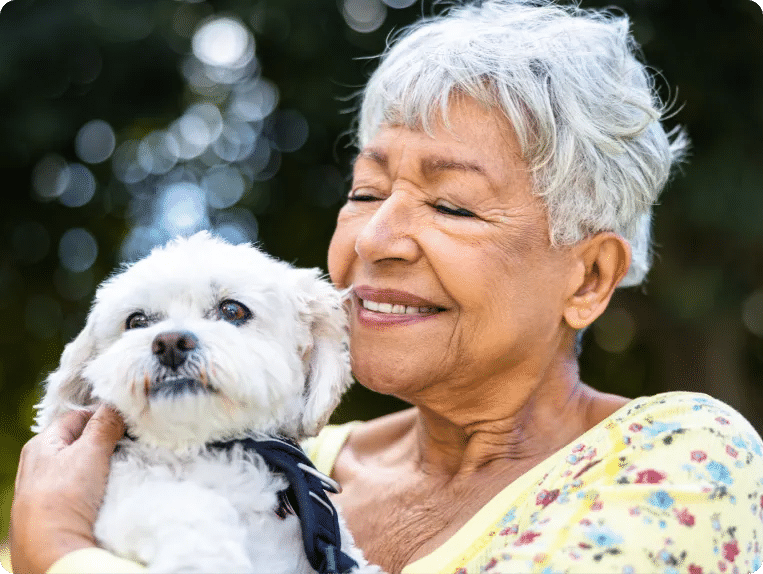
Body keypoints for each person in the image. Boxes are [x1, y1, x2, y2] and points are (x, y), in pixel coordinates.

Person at [9, 1, 763, 573]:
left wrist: (65, 553)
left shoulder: (681, 456)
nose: (373, 239)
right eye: (367, 193)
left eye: (451, 204)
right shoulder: (289, 456)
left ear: (589, 276)